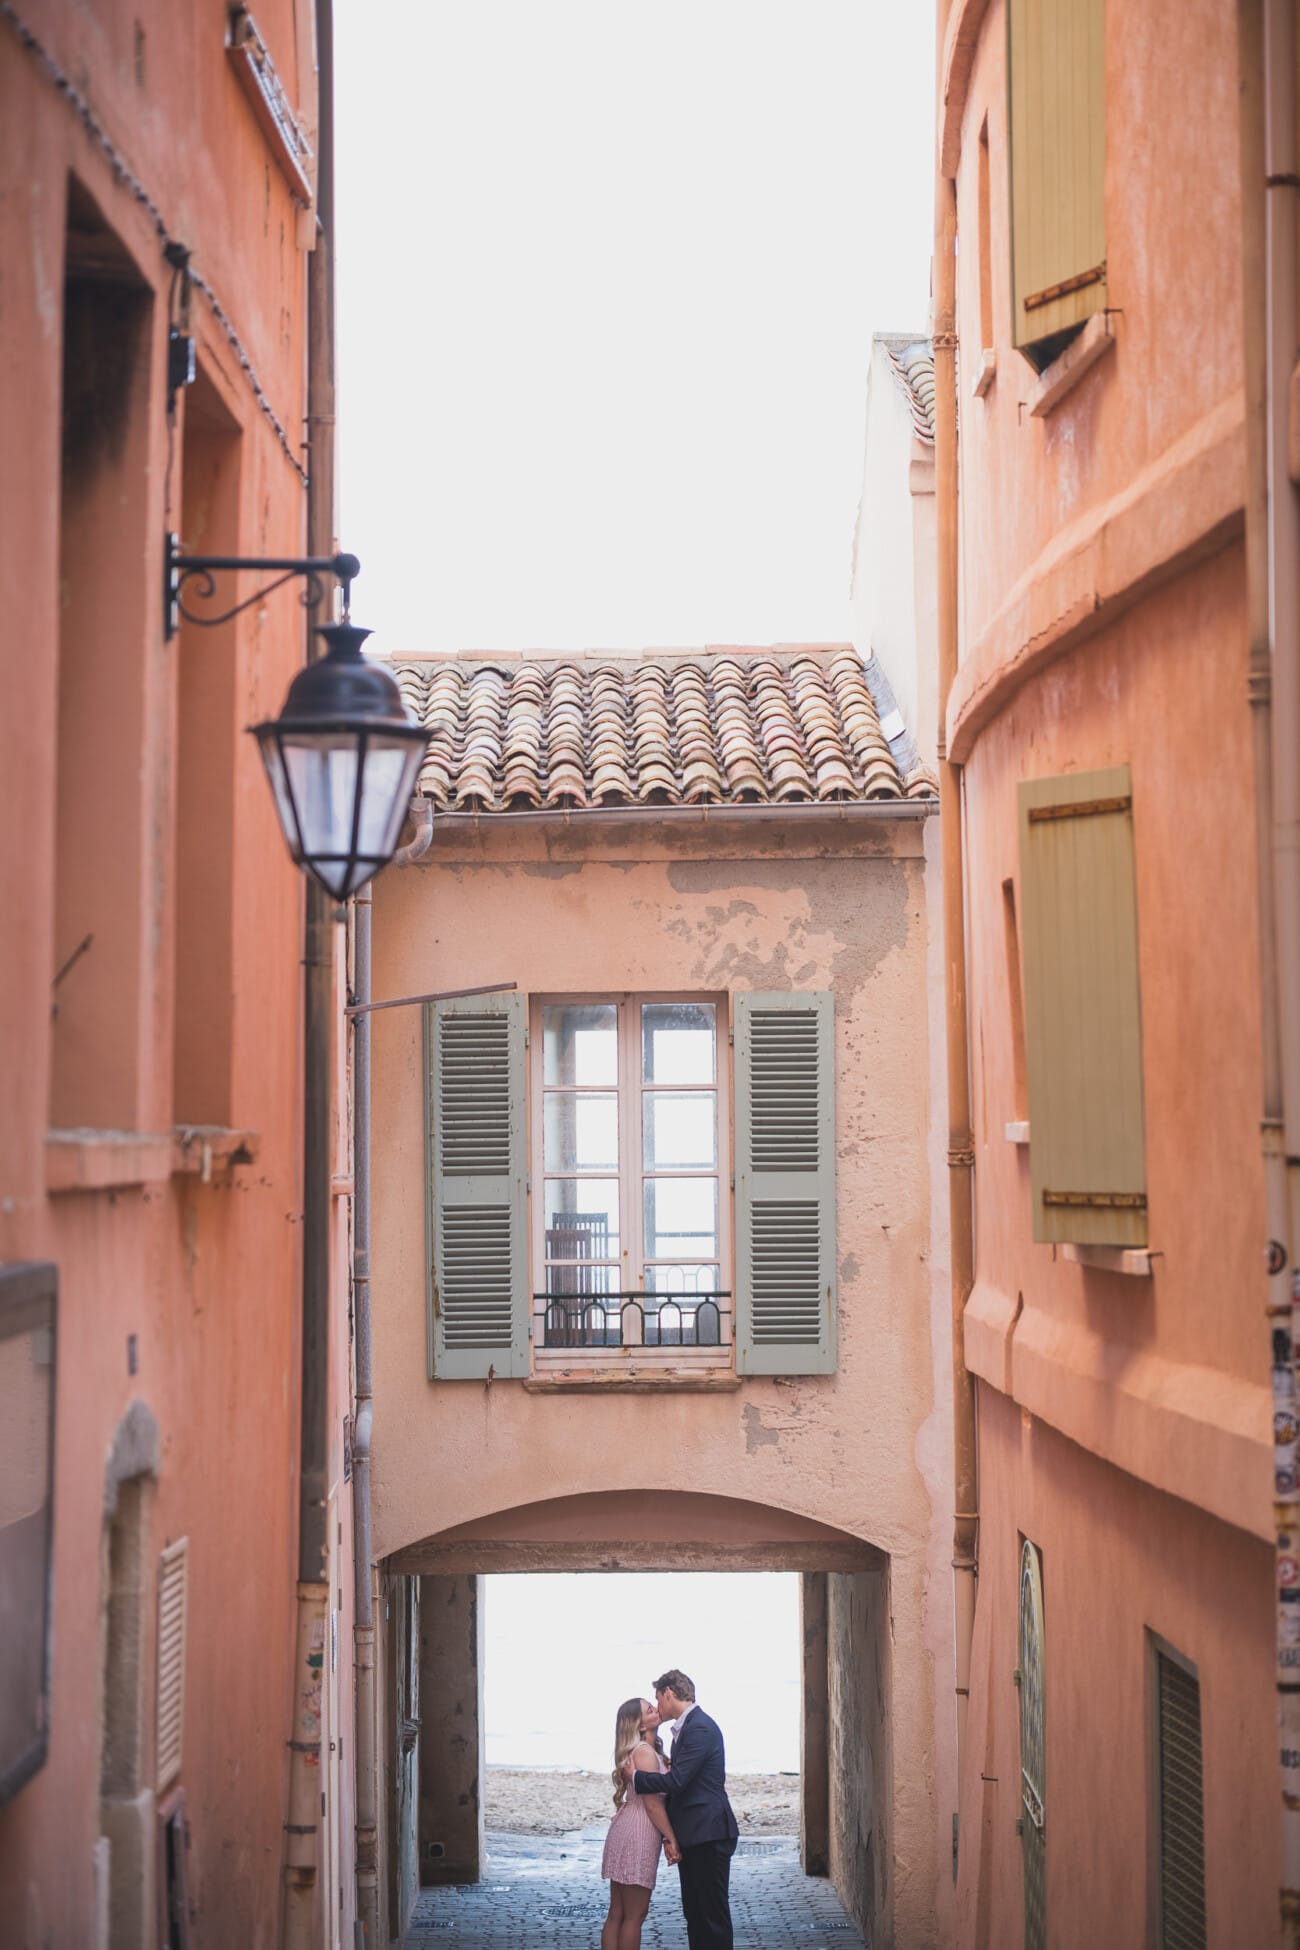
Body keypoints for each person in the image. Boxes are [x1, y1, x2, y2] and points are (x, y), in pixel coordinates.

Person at [632, 1668, 738, 1949]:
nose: (657, 1706)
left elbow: (678, 1781)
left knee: (712, 1915)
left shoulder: (699, 1727)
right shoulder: (687, 1727)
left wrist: (636, 1778)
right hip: (695, 1834)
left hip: (709, 1832)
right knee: (695, 1912)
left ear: (669, 1693)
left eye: (658, 1698)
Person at [600, 1694, 680, 1950]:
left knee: (618, 1913)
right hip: (640, 1831)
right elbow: (653, 1804)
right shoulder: (644, 1753)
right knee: (635, 1916)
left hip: (626, 1827)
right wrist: (671, 1837)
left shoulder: (643, 1751)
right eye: (649, 1710)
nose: (656, 1709)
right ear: (640, 1725)